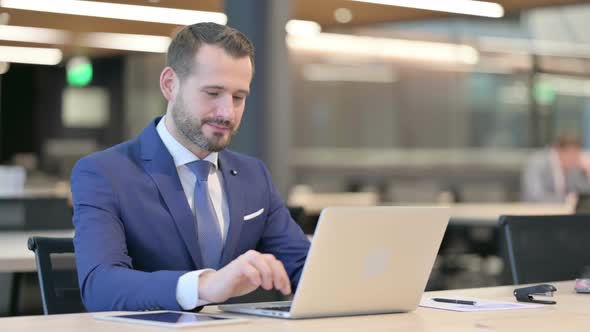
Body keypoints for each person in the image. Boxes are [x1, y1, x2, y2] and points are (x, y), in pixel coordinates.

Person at [71, 22, 310, 312]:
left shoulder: (253, 175)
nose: (227, 112)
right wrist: (205, 285)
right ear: (170, 84)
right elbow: (100, 286)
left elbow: (305, 266)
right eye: (212, 93)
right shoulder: (104, 173)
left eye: (238, 97)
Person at [521, 133, 590, 203]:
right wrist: (566, 200)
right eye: (570, 153)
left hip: (563, 211)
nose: (573, 159)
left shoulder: (575, 168)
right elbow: (535, 196)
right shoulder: (536, 163)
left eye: (576, 154)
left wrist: (588, 171)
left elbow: (584, 195)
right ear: (557, 150)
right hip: (535, 211)